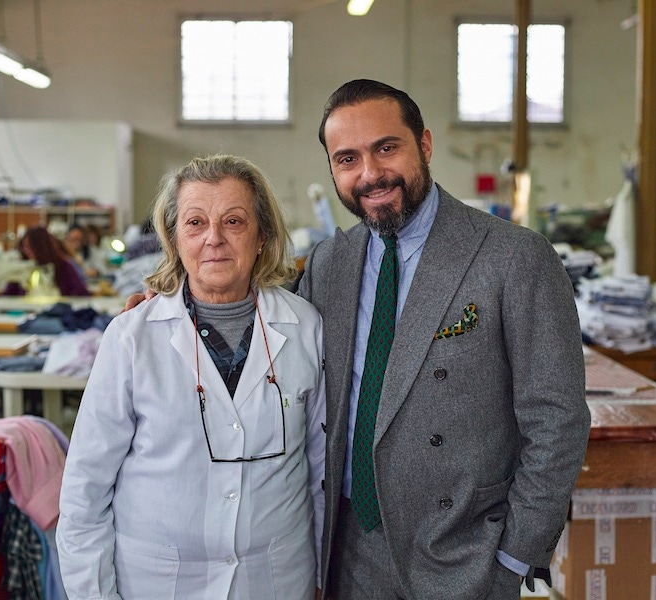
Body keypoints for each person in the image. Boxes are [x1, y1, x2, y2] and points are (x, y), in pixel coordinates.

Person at [124, 80, 590, 600]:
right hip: (348, 556)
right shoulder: (330, 262)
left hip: (464, 556)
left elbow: (557, 418)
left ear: (425, 145)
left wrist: (513, 557)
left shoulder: (514, 258)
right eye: (347, 159)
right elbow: (258, 321)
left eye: (386, 148)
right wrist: (172, 305)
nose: (369, 174)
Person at [57, 154, 326, 599]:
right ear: (174, 238)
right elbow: (85, 494)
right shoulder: (131, 337)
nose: (214, 239)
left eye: (234, 221)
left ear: (262, 236)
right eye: (195, 223)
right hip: (157, 583)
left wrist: (321, 580)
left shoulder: (306, 328)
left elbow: (318, 473)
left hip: (275, 580)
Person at [18, 225, 91, 297]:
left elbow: (82, 294)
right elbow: (8, 295)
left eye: (29, 247)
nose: (26, 251)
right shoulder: (23, 267)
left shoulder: (64, 267)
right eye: (24, 247)